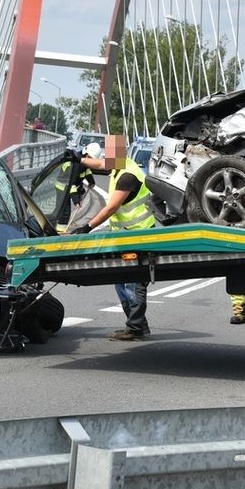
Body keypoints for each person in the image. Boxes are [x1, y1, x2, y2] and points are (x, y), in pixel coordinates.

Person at [67, 134, 156, 340]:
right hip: (124, 235)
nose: (106, 158)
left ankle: (135, 328)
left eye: (110, 154)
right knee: (121, 279)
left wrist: (87, 227)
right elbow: (98, 163)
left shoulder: (128, 175)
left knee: (133, 282)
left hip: (139, 235)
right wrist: (77, 159)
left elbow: (111, 208)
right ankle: (139, 325)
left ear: (120, 153)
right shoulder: (118, 164)